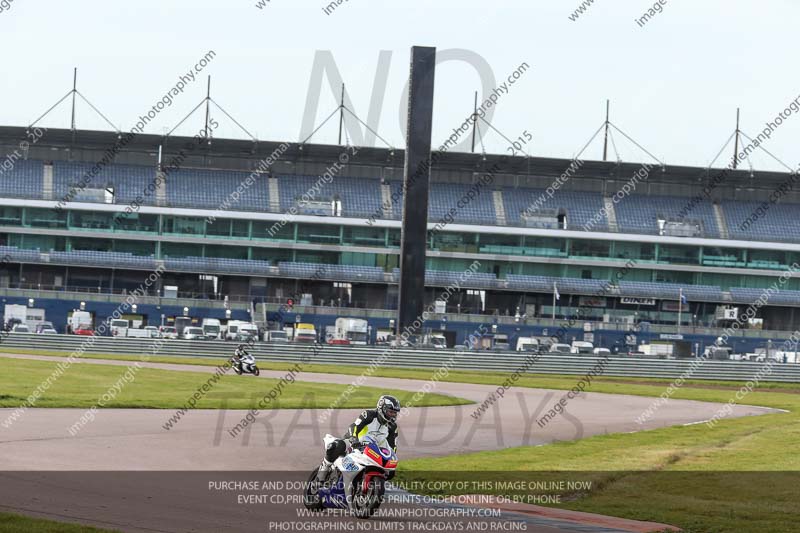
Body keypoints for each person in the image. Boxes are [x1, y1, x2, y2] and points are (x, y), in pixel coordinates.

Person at [316, 395, 400, 482]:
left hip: (372, 450)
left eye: (395, 413)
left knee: (390, 473)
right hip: (355, 442)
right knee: (335, 446)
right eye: (391, 412)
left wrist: (391, 459)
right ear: (382, 408)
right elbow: (354, 426)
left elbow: (392, 447)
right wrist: (353, 438)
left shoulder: (392, 427)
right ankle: (322, 472)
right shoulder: (369, 415)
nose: (393, 415)